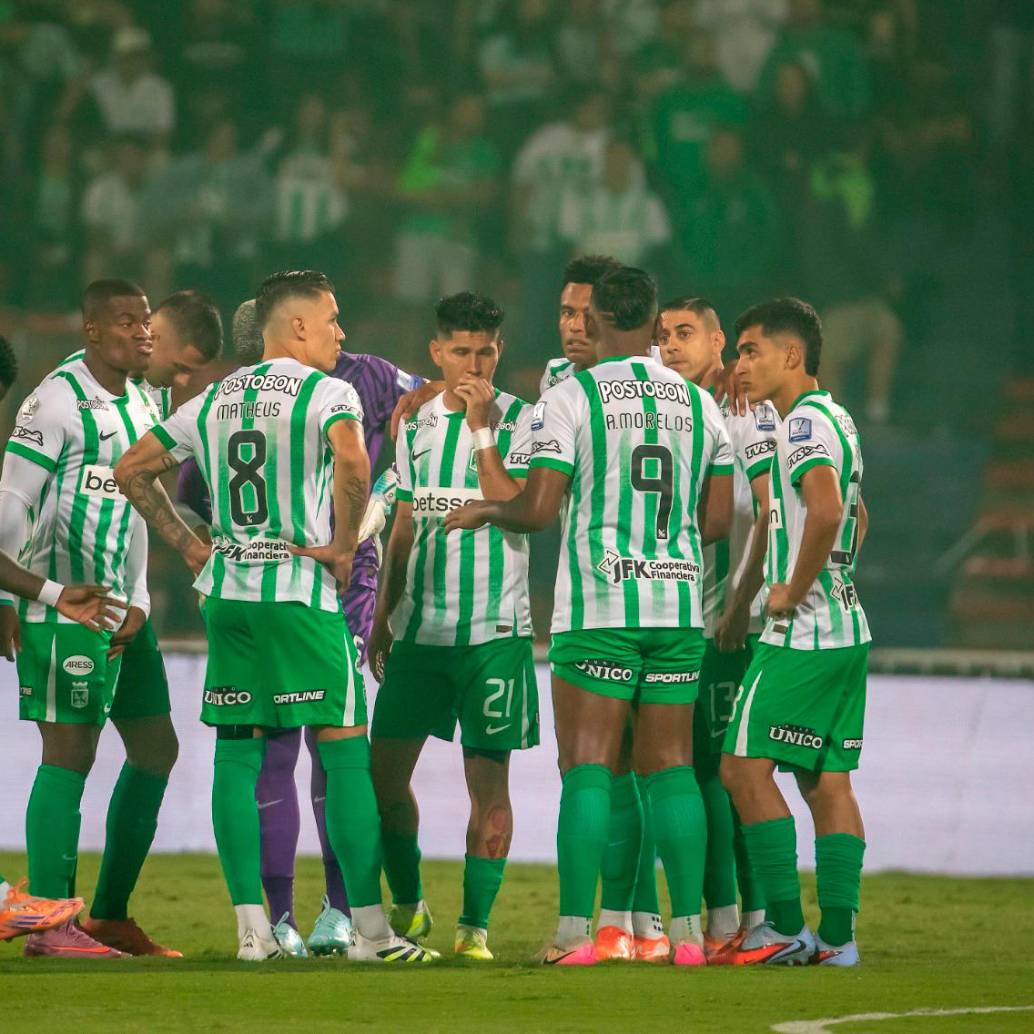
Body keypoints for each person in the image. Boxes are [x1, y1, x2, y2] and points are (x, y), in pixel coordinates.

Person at [114, 270, 434, 964]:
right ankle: (372, 935)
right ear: (295, 328)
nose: (340, 334)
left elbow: (132, 470)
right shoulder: (330, 391)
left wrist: (192, 548)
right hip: (300, 591)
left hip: (229, 597)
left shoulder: (214, 397)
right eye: (331, 319)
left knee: (239, 752)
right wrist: (347, 544)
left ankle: (253, 932)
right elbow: (353, 460)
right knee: (345, 747)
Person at [445, 266, 733, 966]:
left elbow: (538, 510)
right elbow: (719, 520)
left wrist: (486, 506)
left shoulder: (572, 397)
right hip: (675, 608)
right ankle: (689, 936)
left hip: (599, 606)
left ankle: (578, 933)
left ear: (599, 318)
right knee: (671, 768)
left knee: (589, 769)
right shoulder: (700, 404)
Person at [0, 279, 175, 959]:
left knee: (157, 750)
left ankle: (107, 915)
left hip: (125, 612)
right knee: (69, 753)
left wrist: (141, 600)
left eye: (147, 320)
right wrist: (14, 599)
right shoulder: (54, 403)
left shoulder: (145, 400)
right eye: (127, 322)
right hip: (63, 604)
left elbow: (142, 510)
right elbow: (11, 507)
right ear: (92, 331)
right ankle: (47, 928)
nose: (143, 332)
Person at [369, 292, 538, 962]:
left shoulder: (524, 421)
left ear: (499, 351)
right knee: (384, 780)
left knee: (488, 786)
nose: (474, 363)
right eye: (461, 351)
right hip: (419, 632)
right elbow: (404, 524)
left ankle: (475, 930)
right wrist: (383, 616)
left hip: (495, 634)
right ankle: (409, 904)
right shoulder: (411, 425)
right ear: (437, 353)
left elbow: (518, 505)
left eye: (486, 352)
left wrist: (481, 426)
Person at [719, 297, 870, 967]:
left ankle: (781, 927)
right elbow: (862, 517)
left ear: (791, 355)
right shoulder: (836, 416)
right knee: (827, 782)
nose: (739, 363)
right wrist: (834, 576)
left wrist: (793, 587)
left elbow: (832, 512)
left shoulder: (804, 421)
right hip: (848, 630)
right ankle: (837, 939)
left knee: (741, 768)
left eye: (750, 350)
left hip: (803, 637)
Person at [656, 297, 777, 956]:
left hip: (729, 627)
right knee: (702, 769)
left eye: (685, 334)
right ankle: (729, 914)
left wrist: (739, 603)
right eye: (663, 336)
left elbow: (761, 516)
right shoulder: (663, 408)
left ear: (717, 340)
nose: (672, 347)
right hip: (681, 623)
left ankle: (749, 915)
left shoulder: (742, 416)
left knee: (730, 771)